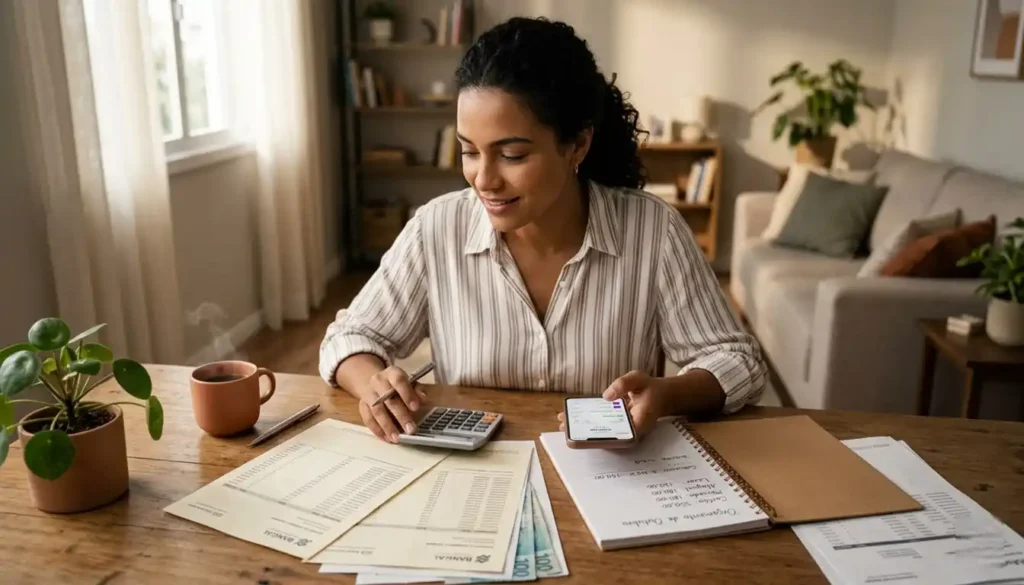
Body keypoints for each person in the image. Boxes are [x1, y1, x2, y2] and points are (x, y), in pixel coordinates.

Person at [319, 17, 767, 444]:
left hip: (609, 475)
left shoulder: (653, 231)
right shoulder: (436, 228)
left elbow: (737, 360)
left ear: (577, 144)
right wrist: (373, 383)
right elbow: (350, 338)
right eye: (469, 151)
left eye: (511, 155)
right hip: (475, 480)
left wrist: (668, 393)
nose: (483, 179)